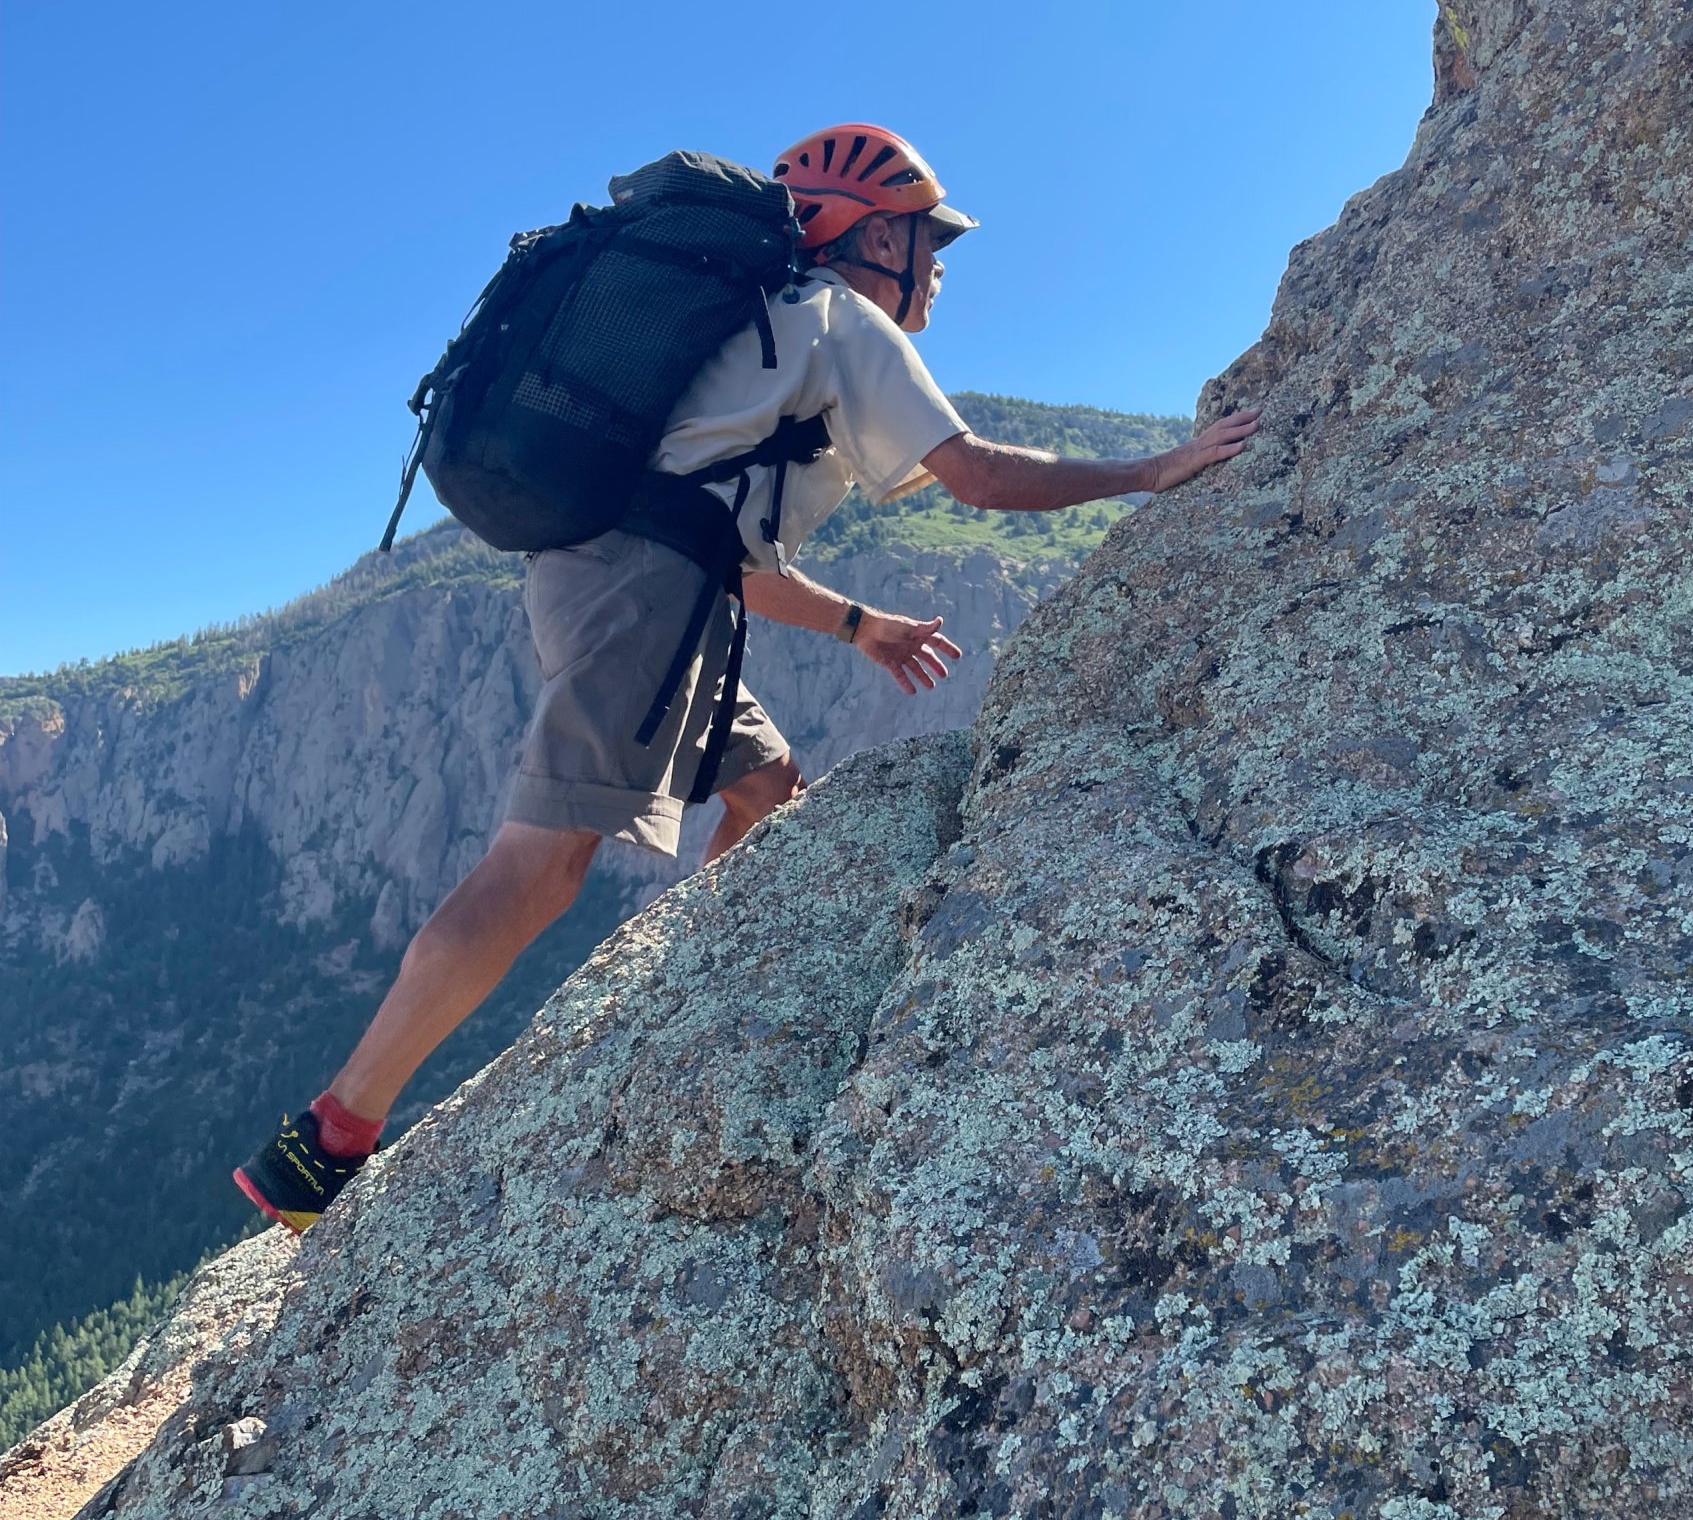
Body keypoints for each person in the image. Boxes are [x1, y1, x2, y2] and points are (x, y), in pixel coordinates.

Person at [233, 123, 1259, 1230]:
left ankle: (683, 989)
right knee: (542, 860)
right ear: (875, 238)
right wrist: (1150, 471)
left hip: (638, 588)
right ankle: (326, 1141)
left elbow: (725, 546)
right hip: (643, 596)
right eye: (931, 240)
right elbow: (977, 476)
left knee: (767, 788)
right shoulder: (840, 319)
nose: (941, 268)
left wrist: (858, 623)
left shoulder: (760, 328)